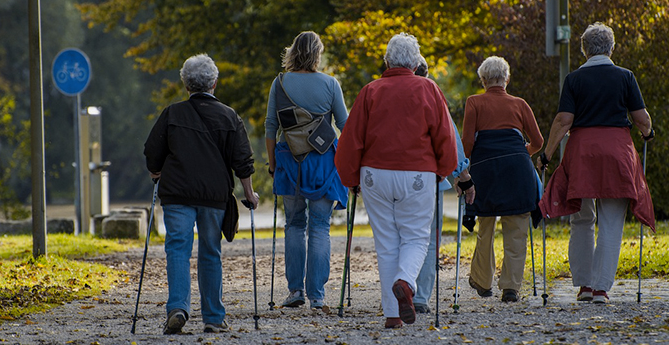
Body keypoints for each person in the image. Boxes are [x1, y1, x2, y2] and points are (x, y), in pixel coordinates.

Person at [335, 33, 458, 329]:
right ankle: (406, 281)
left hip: (375, 174)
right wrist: (443, 170)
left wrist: (350, 177)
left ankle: (392, 314)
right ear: (416, 62)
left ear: (387, 61)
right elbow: (445, 136)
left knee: (387, 242)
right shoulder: (428, 88)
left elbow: (351, 140)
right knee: (416, 237)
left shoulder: (370, 91)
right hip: (417, 173)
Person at [537, 22, 655, 304]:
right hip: (617, 152)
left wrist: (547, 154)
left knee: (581, 218)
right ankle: (602, 288)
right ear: (611, 48)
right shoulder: (625, 76)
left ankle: (585, 286)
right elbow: (641, 118)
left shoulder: (574, 79)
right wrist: (648, 133)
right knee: (612, 220)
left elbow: (564, 121)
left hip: (582, 153)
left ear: (584, 50)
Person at [144, 54, 259, 334]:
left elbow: (152, 151)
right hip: (213, 197)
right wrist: (250, 194)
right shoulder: (230, 116)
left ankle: (178, 308)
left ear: (185, 84)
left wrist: (156, 172)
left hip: (177, 195)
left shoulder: (172, 113)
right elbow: (242, 160)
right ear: (214, 84)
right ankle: (214, 318)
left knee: (177, 250)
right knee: (210, 252)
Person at [264, 31, 348, 310]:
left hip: (290, 161)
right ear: (317, 54)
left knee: (294, 224)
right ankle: (317, 295)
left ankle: (295, 291)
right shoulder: (331, 84)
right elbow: (345, 126)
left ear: (292, 52)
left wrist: (273, 165)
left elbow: (270, 128)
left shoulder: (280, 83)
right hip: (323, 162)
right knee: (320, 227)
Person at [461, 56, 544, 303]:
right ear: (507, 79)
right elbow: (538, 142)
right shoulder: (520, 104)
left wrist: (464, 170)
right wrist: (519, 154)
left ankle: (483, 281)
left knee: (485, 226)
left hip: (485, 171)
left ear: (483, 80)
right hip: (517, 172)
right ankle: (510, 288)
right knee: (517, 229)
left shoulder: (473, 102)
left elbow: (467, 144)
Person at [413, 56, 475, 314]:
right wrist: (464, 178)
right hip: (431, 180)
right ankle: (421, 297)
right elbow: (450, 141)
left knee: (400, 238)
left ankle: (400, 289)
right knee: (428, 240)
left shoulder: (383, 93)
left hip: (391, 178)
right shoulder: (433, 95)